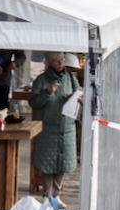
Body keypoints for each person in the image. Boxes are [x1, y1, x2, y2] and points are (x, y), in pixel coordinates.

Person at [29, 53, 82, 199]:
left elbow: (79, 96)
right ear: (50, 63)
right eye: (57, 61)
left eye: (62, 60)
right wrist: (47, 93)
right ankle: (47, 195)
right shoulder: (41, 80)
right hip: (48, 129)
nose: (61, 63)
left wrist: (74, 98)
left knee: (62, 163)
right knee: (48, 163)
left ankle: (57, 195)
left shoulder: (71, 79)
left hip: (67, 128)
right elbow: (33, 102)